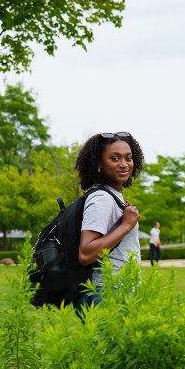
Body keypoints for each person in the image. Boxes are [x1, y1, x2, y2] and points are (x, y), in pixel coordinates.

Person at [75, 131, 144, 308]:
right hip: (109, 290)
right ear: (99, 164)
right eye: (115, 158)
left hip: (117, 288)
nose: (124, 164)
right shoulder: (102, 198)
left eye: (128, 158)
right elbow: (86, 253)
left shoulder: (110, 196)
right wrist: (127, 225)